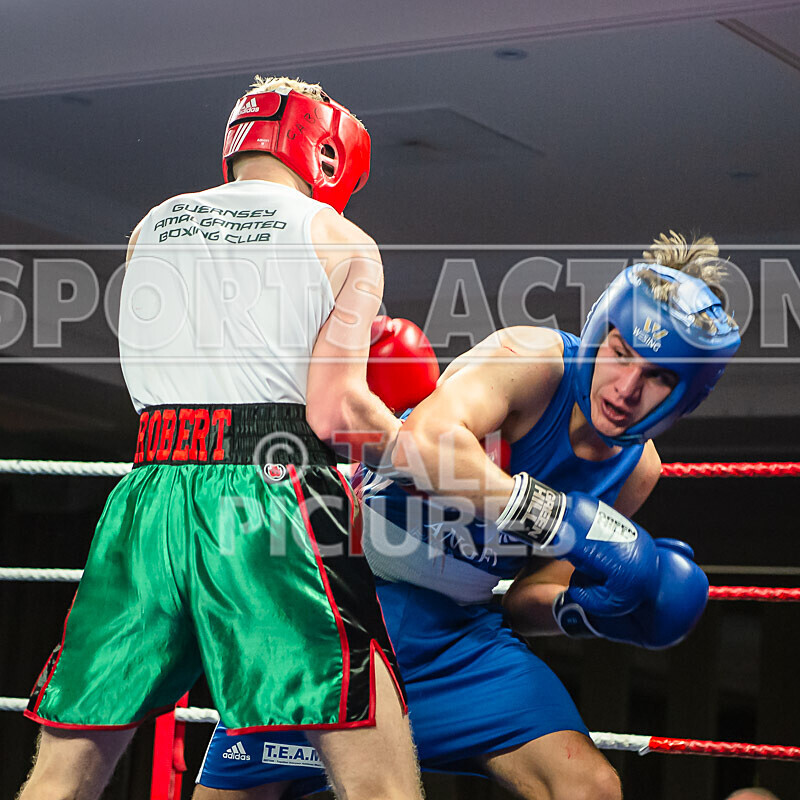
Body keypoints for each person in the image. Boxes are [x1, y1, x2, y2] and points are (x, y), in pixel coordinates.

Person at [193, 232, 740, 799]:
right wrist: (557, 518)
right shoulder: (529, 362)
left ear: (687, 395)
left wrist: (585, 613)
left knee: (588, 787)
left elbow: (527, 602)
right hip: (345, 602)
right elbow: (428, 442)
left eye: (658, 377)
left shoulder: (637, 472)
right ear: (601, 334)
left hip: (457, 638)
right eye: (621, 353)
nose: (627, 387)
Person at [18, 77, 431, 800]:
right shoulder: (340, 239)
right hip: (274, 491)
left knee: (67, 769)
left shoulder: (152, 225)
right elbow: (337, 410)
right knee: (379, 777)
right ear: (327, 151)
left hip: (148, 495)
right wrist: (429, 459)